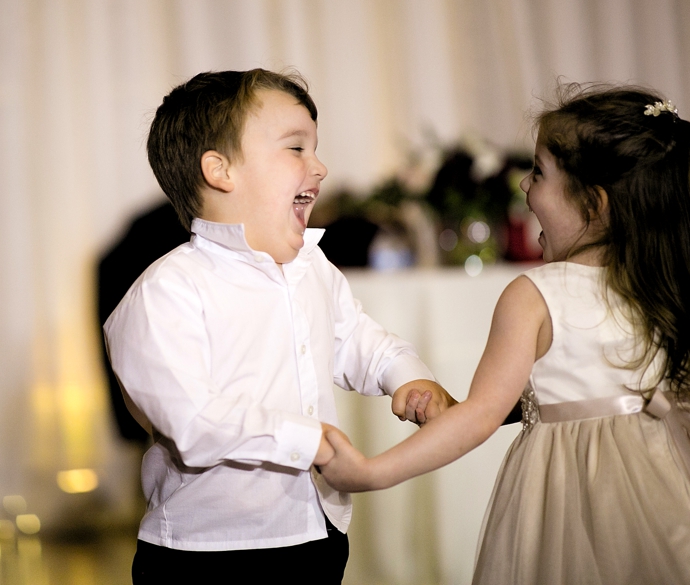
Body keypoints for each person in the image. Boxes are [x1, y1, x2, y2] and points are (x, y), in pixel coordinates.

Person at [320, 84, 690, 584]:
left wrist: (370, 471)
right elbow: (569, 392)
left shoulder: (535, 294)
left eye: (538, 172)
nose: (524, 188)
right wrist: (459, 411)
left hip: (575, 506)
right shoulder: (669, 285)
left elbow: (482, 416)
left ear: (594, 203)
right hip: (670, 492)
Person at [103, 69, 455, 584]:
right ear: (220, 170)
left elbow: (358, 339)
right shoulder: (168, 291)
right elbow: (192, 420)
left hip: (315, 532)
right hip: (210, 551)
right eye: (296, 148)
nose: (320, 166)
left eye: (315, 148)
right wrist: (306, 439)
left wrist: (408, 376)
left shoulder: (313, 268)